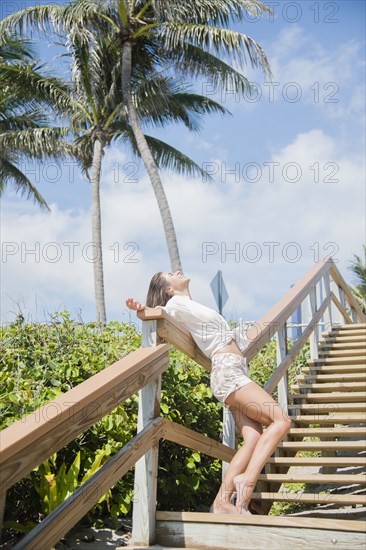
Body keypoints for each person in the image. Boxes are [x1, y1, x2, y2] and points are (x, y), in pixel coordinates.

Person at [126, 271, 291, 515]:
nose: (177, 272)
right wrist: (140, 309)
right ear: (168, 289)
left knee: (254, 437)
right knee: (282, 420)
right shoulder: (175, 304)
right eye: (171, 274)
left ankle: (221, 502)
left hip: (233, 371)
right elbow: (156, 313)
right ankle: (247, 480)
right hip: (228, 373)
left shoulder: (190, 306)